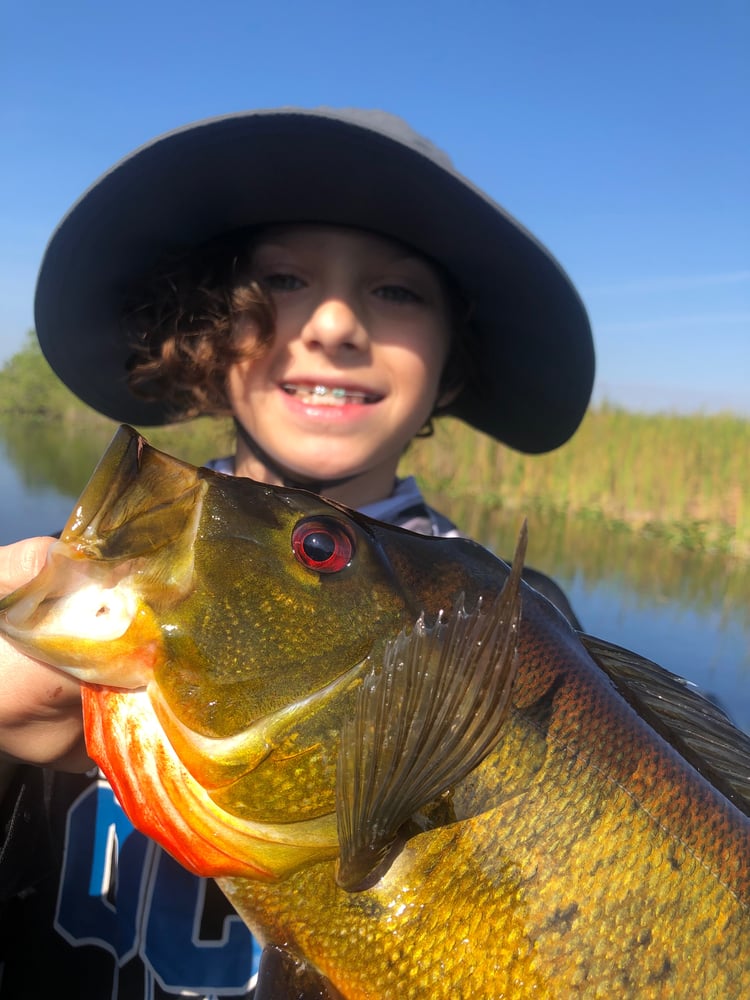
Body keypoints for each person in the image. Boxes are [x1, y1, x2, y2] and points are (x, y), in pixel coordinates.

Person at [0, 108, 594, 998]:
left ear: (452, 365)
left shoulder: (522, 636)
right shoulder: (82, 578)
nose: (335, 324)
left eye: (397, 292)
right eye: (282, 279)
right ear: (204, 331)